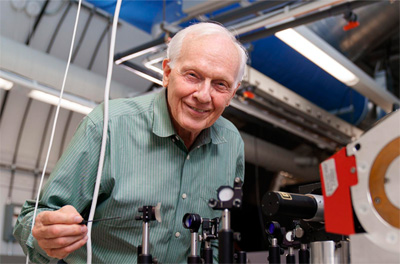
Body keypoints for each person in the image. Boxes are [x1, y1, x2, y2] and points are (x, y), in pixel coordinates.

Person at [14, 22, 248, 263]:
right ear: (167, 73)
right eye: (192, 76)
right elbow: (33, 219)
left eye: (220, 84)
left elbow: (219, 233)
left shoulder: (231, 144)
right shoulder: (109, 126)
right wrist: (44, 233)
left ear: (233, 92)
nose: (203, 95)